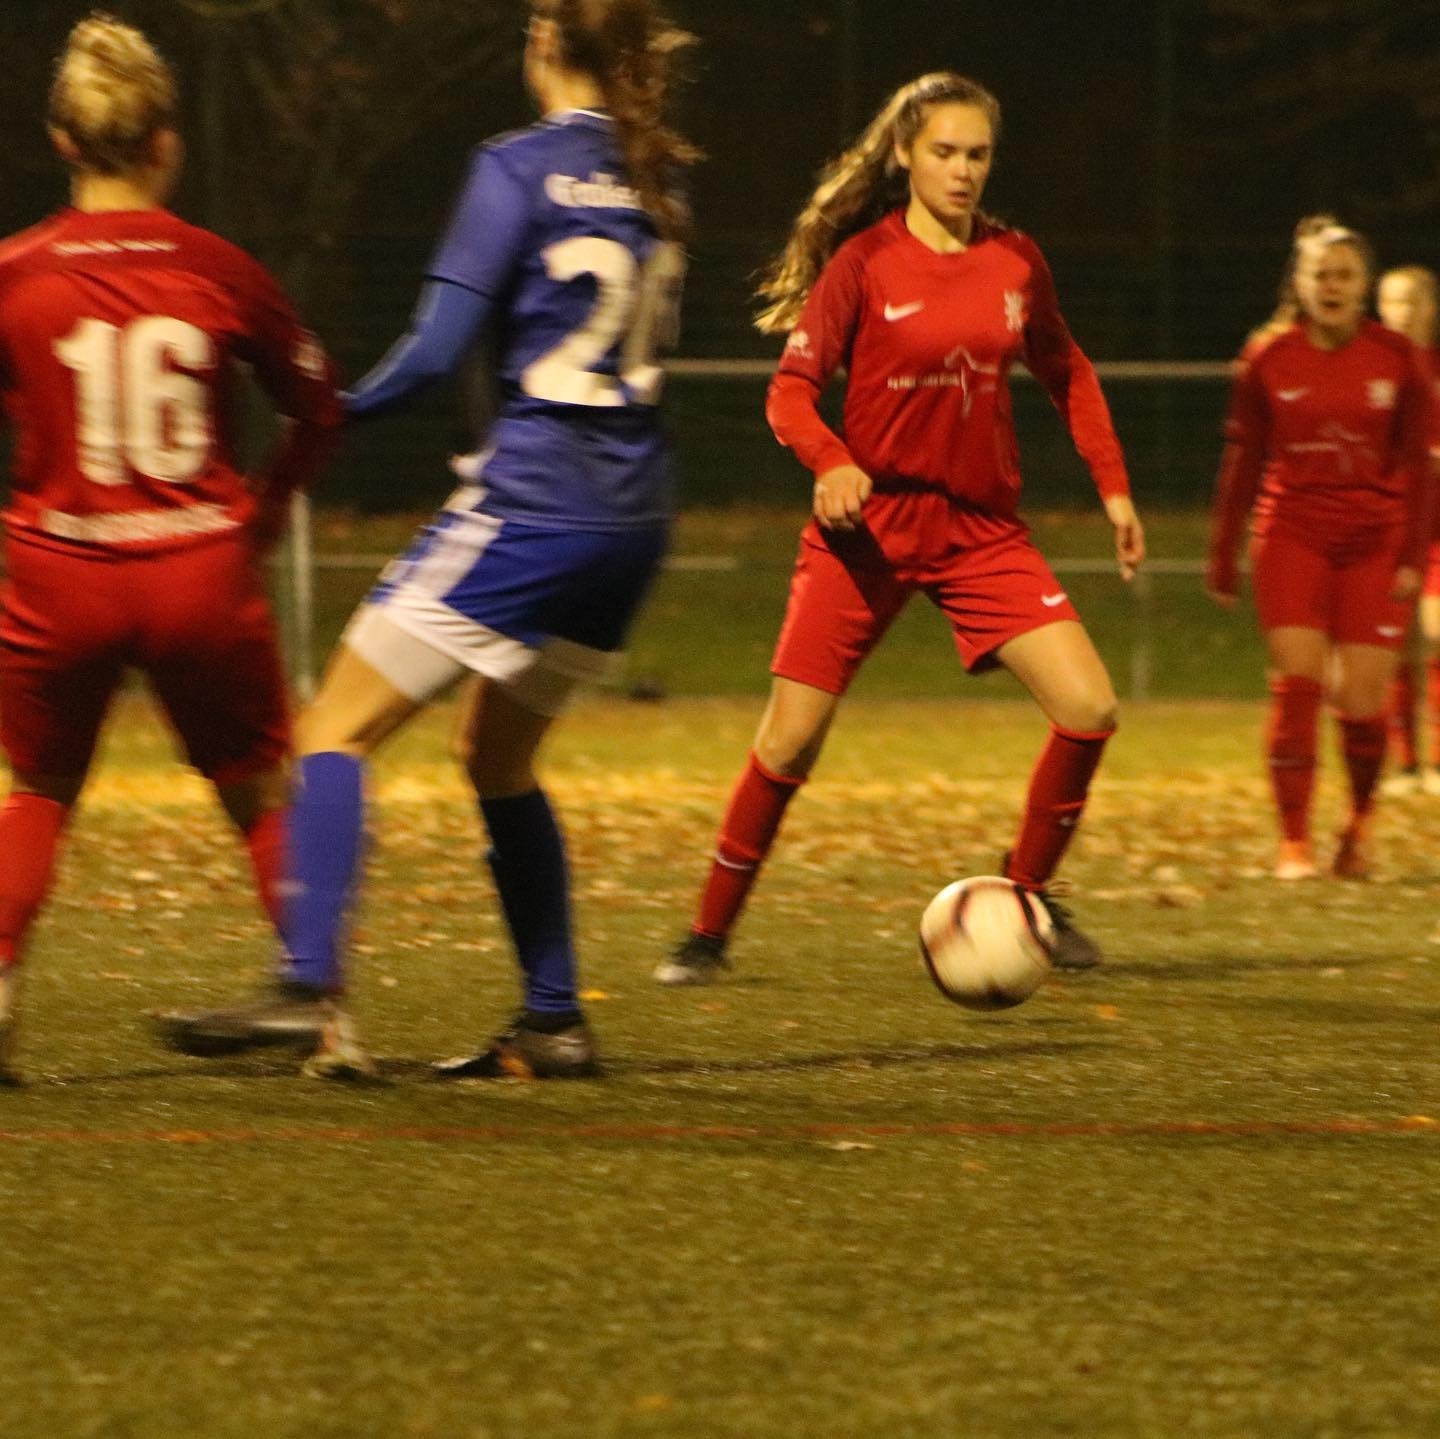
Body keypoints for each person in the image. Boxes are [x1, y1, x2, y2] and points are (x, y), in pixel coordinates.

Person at [154, 0, 697, 1079]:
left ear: (542, 39)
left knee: (331, 729)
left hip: (537, 502)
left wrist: (332, 410)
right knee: (498, 757)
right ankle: (554, 1019)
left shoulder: (516, 166)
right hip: (633, 516)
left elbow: (439, 345)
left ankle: (303, 983)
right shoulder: (661, 175)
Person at [655, 71, 1144, 987]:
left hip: (979, 530)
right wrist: (832, 460)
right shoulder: (865, 263)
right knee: (789, 740)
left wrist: (1113, 487)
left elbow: (1067, 369)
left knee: (1090, 709)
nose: (963, 171)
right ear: (904, 155)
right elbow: (790, 392)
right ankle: (707, 933)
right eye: (944, 152)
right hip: (869, 530)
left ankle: (1025, 895)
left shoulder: (1015, 261)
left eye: (978, 155)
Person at [0, 13, 342, 1082]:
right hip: (198, 564)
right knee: (261, 793)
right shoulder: (217, 267)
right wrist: (265, 512)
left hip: (61, 567)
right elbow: (318, 403)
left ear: (62, 140)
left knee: (38, 788)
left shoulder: (15, 271)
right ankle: (325, 1010)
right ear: (166, 143)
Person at [1207, 222, 1434, 881]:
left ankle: (1357, 825)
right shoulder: (1268, 356)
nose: (1332, 287)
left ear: (1364, 286)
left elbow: (1420, 467)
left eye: (1344, 275)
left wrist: (1412, 555)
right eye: (1320, 275)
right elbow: (1243, 459)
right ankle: (1294, 842)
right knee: (1300, 680)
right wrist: (1222, 550)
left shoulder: (1397, 357)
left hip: (1374, 540)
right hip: (1292, 535)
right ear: (1299, 284)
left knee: (1361, 700)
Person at [1375, 265, 1440, 795]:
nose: (1400, 312)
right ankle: (1406, 764)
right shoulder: (1374, 369)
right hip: (1391, 525)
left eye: (1410, 301)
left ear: (1430, 308)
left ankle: (1437, 762)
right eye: (1391, 301)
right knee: (1396, 645)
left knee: (1438, 637)